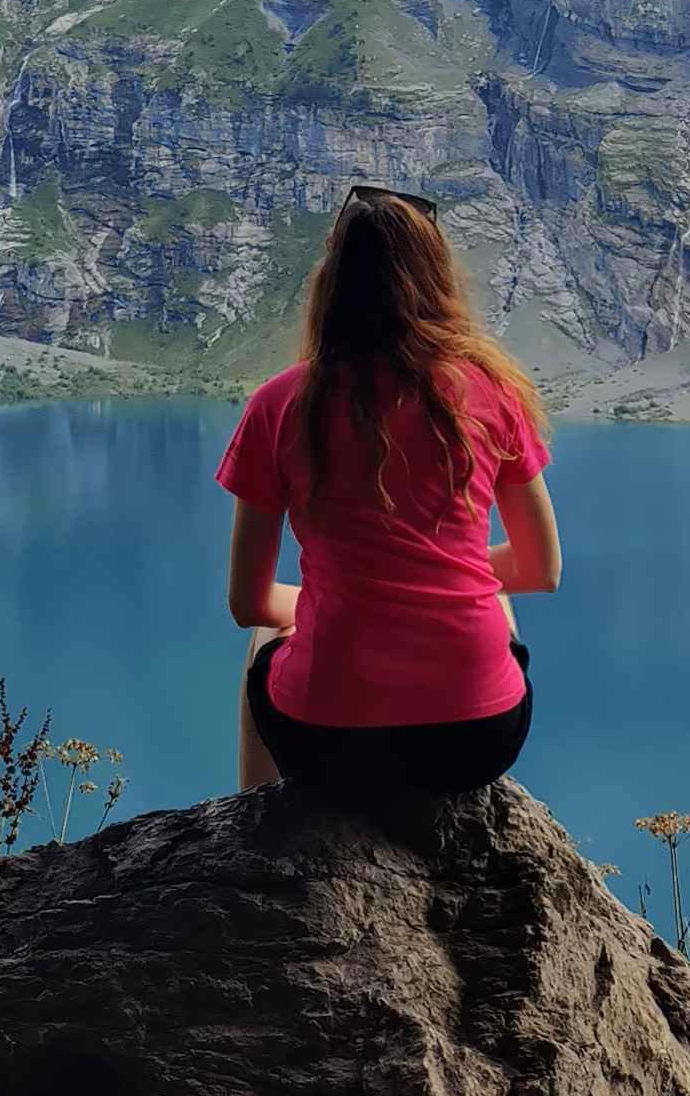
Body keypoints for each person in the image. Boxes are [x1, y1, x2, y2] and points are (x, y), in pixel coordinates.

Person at [215, 183, 561, 800]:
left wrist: (342, 599)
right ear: (436, 280)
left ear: (331, 284)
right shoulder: (492, 393)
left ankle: (254, 821)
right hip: (478, 739)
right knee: (495, 598)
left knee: (264, 638)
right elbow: (541, 568)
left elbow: (247, 602)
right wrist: (439, 579)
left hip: (324, 741)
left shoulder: (279, 404)